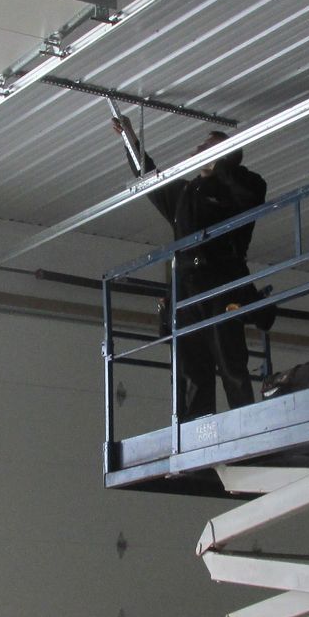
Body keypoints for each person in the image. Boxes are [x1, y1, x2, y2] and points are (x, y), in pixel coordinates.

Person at [111, 120, 267, 420]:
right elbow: (150, 177)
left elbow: (250, 193)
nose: (197, 149)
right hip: (185, 290)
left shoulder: (243, 187)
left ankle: (247, 424)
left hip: (221, 284)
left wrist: (222, 162)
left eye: (207, 146)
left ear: (225, 154)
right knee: (192, 368)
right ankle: (197, 432)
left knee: (230, 361)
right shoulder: (185, 194)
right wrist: (130, 138)